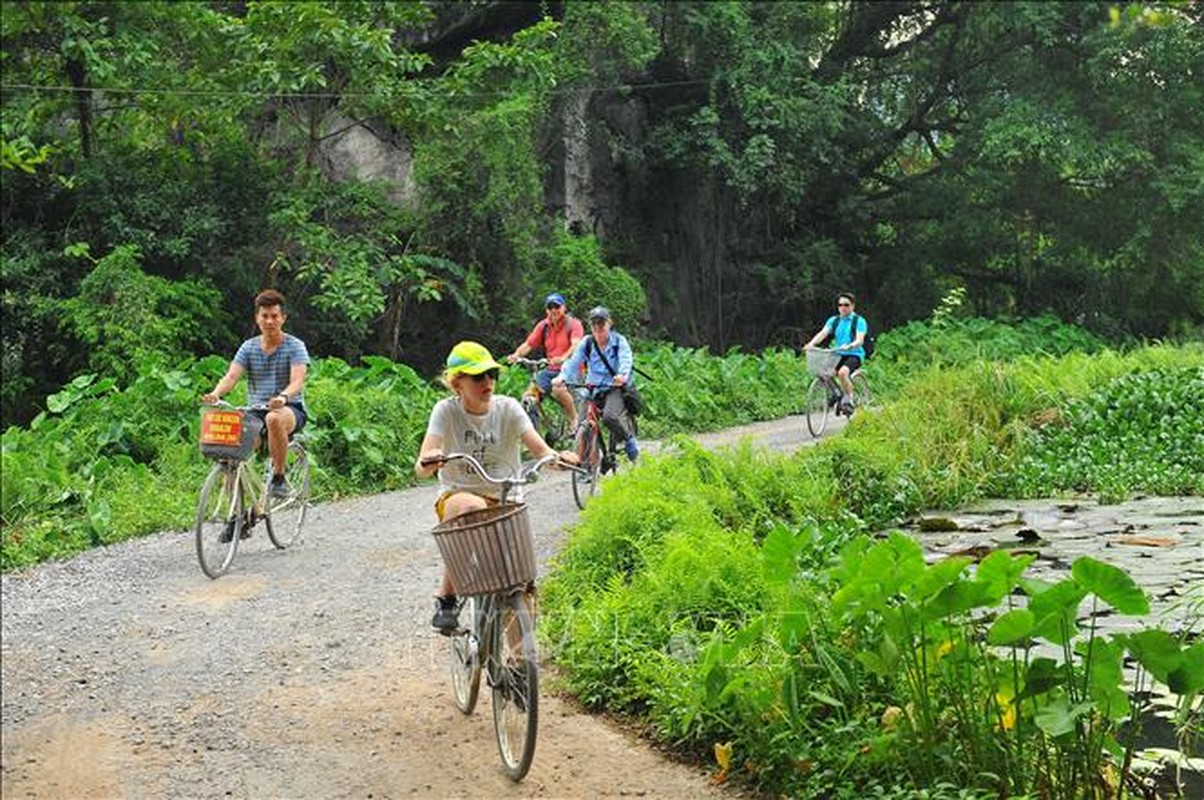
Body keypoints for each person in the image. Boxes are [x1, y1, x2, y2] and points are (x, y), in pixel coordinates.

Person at [415, 341, 578, 633]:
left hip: (506, 502)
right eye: (478, 377)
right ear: (457, 383)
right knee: (472, 507)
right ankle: (447, 597)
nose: (487, 382)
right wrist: (429, 461)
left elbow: (542, 452)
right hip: (458, 496)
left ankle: (518, 666)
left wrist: (559, 459)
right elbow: (422, 465)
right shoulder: (445, 412)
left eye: (492, 375)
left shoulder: (509, 409)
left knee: (521, 581)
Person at [202, 288, 310, 500]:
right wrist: (216, 393)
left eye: (274, 316)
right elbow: (231, 377)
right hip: (255, 413)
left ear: (283, 318)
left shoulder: (295, 346)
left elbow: (297, 380)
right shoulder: (248, 348)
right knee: (231, 456)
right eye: (265, 316)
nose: (269, 321)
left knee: (273, 418)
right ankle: (240, 516)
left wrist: (283, 398)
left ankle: (279, 477)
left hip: (289, 409)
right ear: (257, 318)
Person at [552, 305, 640, 463]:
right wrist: (562, 377)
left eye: (602, 323)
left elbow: (626, 360)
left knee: (610, 417)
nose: (598, 327)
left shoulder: (619, 341)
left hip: (613, 388)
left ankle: (629, 440)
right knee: (582, 426)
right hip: (592, 389)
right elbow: (573, 362)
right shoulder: (587, 343)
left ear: (609, 323)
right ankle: (585, 468)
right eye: (594, 324)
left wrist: (622, 375)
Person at [505, 292, 585, 431]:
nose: (554, 310)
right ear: (546, 310)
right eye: (550, 307)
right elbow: (529, 344)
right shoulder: (544, 326)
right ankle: (534, 435)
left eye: (557, 306)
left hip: (571, 369)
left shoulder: (573, 324)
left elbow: (576, 344)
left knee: (558, 389)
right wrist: (516, 355)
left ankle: (574, 420)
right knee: (528, 399)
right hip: (551, 369)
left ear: (564, 308)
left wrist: (564, 357)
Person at [804, 291, 868, 415]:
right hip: (838, 354)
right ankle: (837, 394)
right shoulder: (834, 320)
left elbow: (860, 340)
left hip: (854, 354)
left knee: (843, 373)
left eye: (846, 305)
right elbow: (823, 333)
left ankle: (849, 400)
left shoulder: (859, 321)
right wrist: (811, 344)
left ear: (852, 306)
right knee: (822, 371)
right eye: (840, 305)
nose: (843, 308)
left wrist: (850, 345)